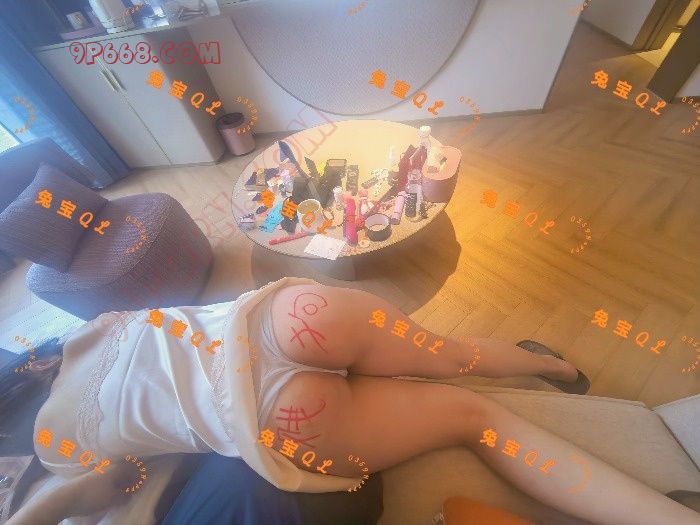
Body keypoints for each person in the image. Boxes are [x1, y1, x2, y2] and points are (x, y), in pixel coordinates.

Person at [5, 277, 699, 524]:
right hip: (286, 319)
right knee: (449, 356)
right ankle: (557, 365)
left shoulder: (52, 447)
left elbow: (111, 485)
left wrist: (35, 510)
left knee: (476, 417)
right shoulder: (92, 330)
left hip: (274, 420)